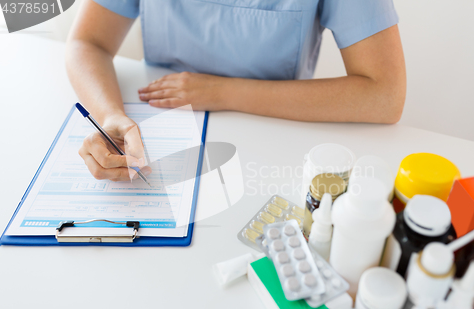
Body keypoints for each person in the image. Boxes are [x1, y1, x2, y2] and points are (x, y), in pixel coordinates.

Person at [65, 0, 406, 181]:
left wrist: (224, 92)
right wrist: (110, 115)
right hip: (165, 125)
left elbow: (385, 95)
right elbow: (86, 42)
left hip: (273, 144)